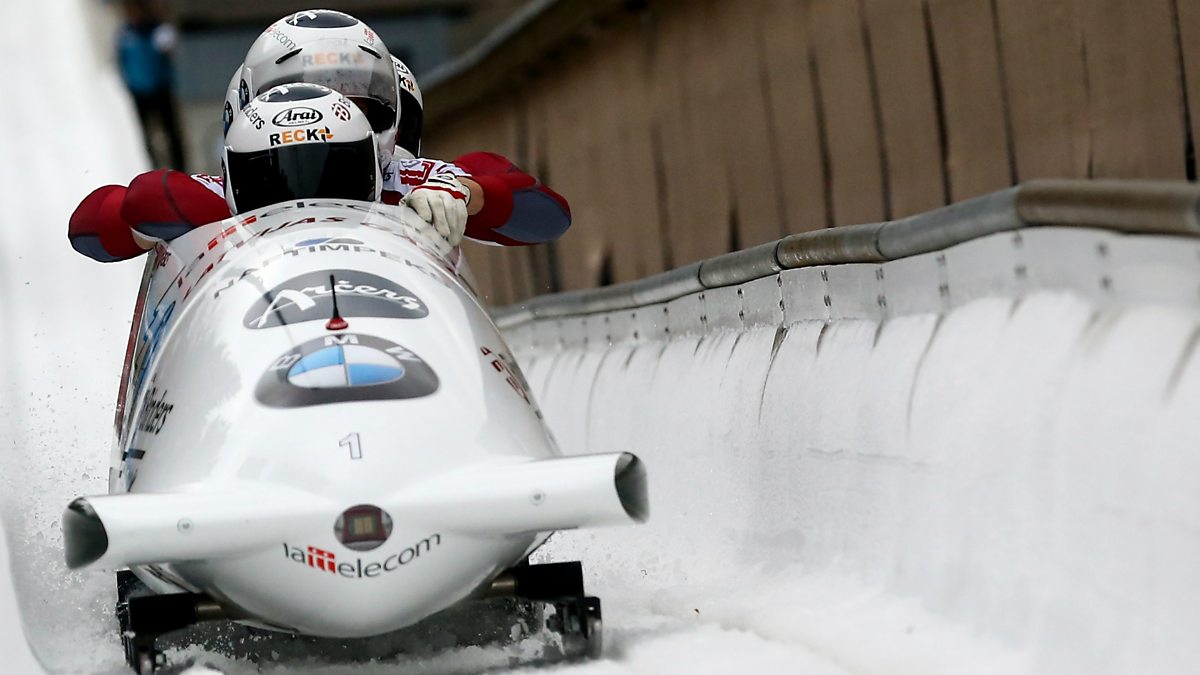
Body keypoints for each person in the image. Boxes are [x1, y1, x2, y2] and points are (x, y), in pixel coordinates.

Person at [69, 9, 570, 261]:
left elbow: (544, 214)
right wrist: (149, 220)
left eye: (358, 101)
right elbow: (97, 222)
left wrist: (470, 195)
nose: (332, 113)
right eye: (305, 94)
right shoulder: (230, 188)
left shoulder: (415, 182)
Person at [116, 0, 186, 169]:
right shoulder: (126, 35)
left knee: (170, 132)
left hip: (160, 89)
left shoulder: (158, 31)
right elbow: (122, 62)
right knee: (148, 134)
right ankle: (153, 167)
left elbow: (170, 52)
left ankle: (179, 169)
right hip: (140, 92)